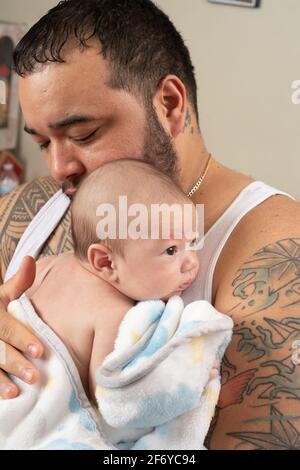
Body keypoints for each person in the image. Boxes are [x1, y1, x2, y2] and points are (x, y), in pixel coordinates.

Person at [0, 0, 298, 450]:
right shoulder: (36, 207)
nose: (59, 166)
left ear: (170, 105)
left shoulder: (277, 259)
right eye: (43, 142)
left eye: (83, 135)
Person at [1, 159, 231, 450]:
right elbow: (119, 406)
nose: (191, 262)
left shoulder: (44, 267)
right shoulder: (113, 314)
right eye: (170, 250)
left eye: (192, 242)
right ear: (106, 261)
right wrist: (188, 374)